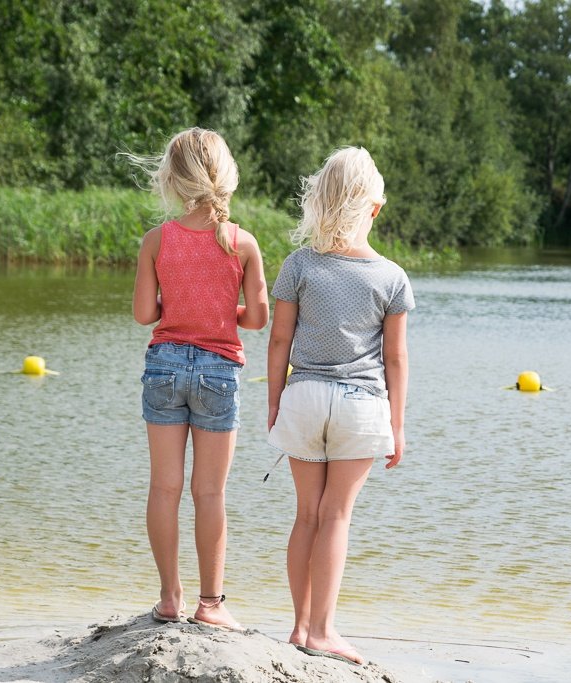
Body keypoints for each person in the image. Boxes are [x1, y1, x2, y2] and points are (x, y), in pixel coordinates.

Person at [266, 147, 414, 665]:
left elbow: (278, 342)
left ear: (320, 200)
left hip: (302, 397)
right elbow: (395, 359)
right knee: (337, 516)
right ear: (375, 208)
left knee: (306, 514)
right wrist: (397, 426)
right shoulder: (391, 277)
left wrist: (274, 404)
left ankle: (301, 627)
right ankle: (325, 631)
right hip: (361, 404)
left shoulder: (299, 264)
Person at [131, 127, 268, 628]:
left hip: (164, 366)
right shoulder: (243, 243)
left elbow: (145, 313)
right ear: (226, 177)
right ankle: (211, 606)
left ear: (172, 178)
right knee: (209, 493)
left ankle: (171, 598)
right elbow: (256, 320)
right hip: (218, 372)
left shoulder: (155, 240)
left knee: (163, 488)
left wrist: (179, 305)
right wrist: (220, 308)